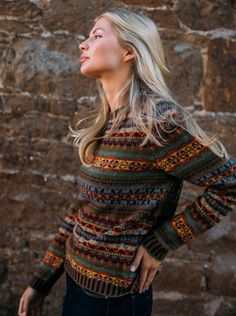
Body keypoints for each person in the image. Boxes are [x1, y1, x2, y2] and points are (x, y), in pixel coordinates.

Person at [18, 6, 236, 316]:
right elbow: (81, 210)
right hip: (75, 284)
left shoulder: (157, 123)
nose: (83, 44)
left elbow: (228, 184)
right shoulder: (106, 123)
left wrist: (162, 241)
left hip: (115, 302)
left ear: (128, 52)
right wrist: (42, 280)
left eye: (96, 35)